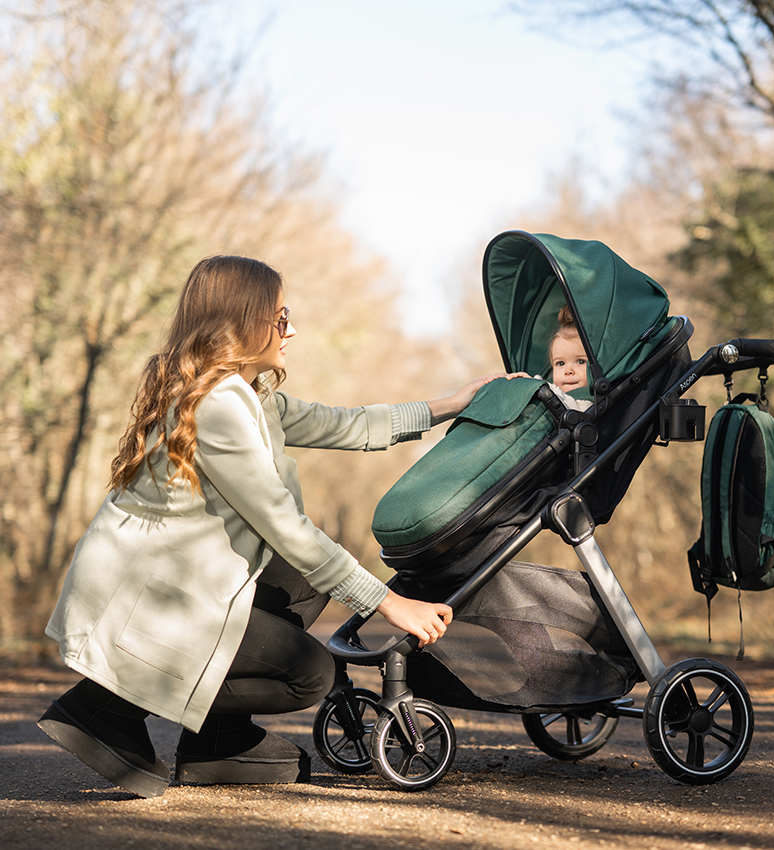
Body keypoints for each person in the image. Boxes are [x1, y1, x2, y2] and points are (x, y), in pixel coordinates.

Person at [37, 255, 522, 798]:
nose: (292, 329)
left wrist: (451, 405)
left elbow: (347, 423)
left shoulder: (249, 395)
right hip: (151, 605)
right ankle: (101, 709)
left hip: (183, 590)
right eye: (280, 316)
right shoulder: (217, 405)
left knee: (304, 575)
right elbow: (285, 526)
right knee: (308, 673)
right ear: (242, 321)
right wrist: (387, 603)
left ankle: (217, 742)